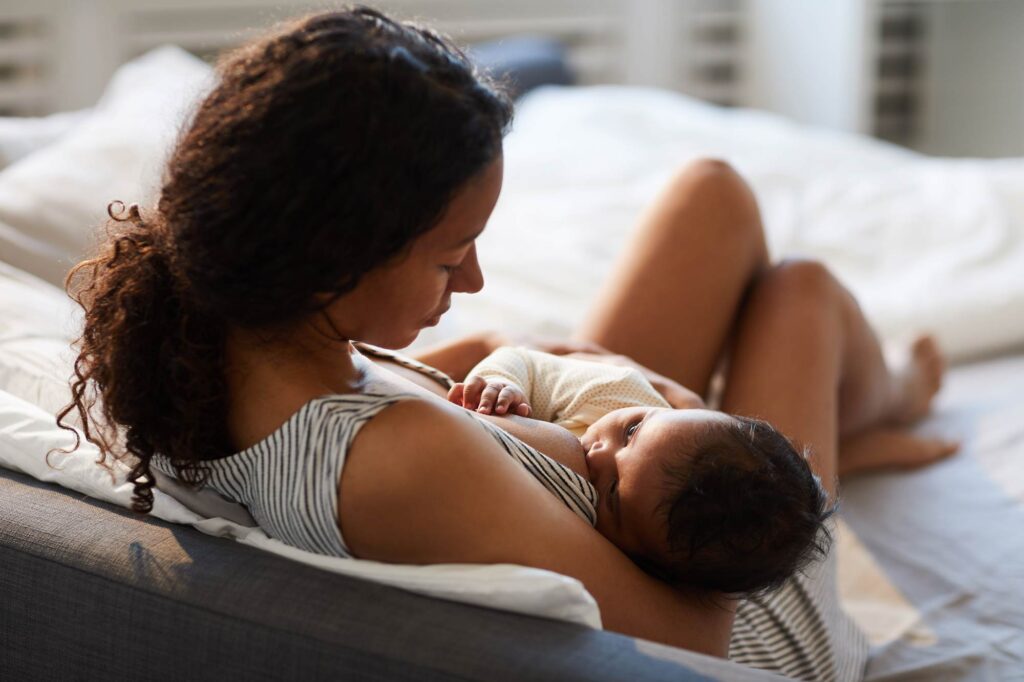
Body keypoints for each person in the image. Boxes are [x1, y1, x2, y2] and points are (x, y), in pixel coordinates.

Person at [55, 6, 957, 679]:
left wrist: (514, 366)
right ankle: (877, 409)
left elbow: (402, 388)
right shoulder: (405, 461)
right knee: (800, 291)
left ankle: (860, 419)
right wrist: (677, 410)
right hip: (745, 584)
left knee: (713, 196)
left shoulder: (217, 340)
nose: (474, 277)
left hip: (597, 473)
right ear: (337, 259)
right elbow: (696, 641)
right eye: (451, 255)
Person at [447, 345, 835, 597]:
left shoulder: (628, 561)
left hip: (792, 624)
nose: (598, 453)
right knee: (801, 278)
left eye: (613, 491)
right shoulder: (619, 394)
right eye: (631, 431)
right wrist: (504, 383)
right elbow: (525, 361)